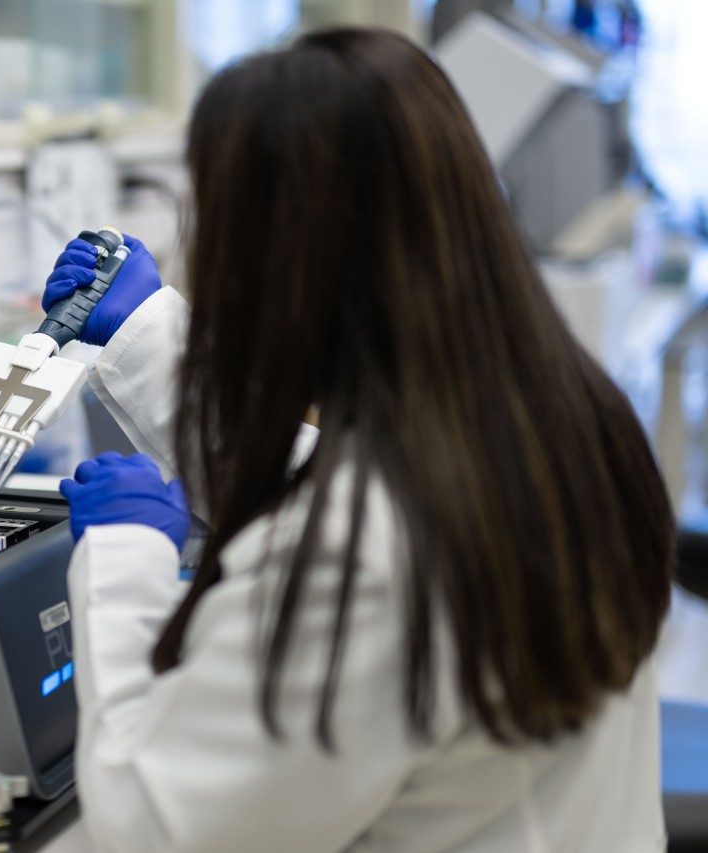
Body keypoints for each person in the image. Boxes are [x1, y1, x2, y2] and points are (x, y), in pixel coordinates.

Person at [44, 28, 673, 852]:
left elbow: (155, 826)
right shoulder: (565, 420)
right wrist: (147, 335)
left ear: (287, 261)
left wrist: (123, 568)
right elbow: (357, 494)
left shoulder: (361, 555)